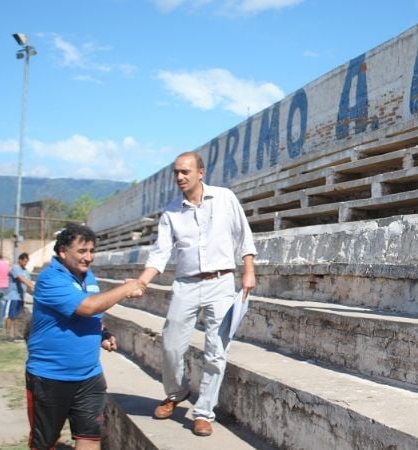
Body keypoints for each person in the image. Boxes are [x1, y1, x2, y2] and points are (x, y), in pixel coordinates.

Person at [136, 151, 257, 437]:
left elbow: (244, 235)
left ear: (200, 173)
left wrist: (248, 271)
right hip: (186, 284)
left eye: (185, 172)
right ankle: (176, 393)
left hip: (221, 282)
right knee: (170, 344)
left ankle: (204, 412)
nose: (179, 177)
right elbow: (160, 254)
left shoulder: (225, 198)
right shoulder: (171, 212)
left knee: (217, 351)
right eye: (176, 172)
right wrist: (142, 282)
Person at [25, 223, 146, 450]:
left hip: (89, 375)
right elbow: (87, 307)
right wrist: (128, 288)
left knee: (89, 437)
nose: (88, 257)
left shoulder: (88, 277)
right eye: (82, 251)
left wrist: (103, 333)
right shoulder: (50, 279)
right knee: (44, 443)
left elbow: (93, 315)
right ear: (62, 251)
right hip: (50, 376)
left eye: (92, 251)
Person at [6, 253, 34, 341]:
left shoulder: (25, 270)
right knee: (11, 316)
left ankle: (16, 333)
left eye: (27, 262)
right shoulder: (15, 268)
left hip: (21, 296)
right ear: (20, 260)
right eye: (25, 261)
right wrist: (32, 287)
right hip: (13, 295)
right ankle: (9, 334)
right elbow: (22, 279)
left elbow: (29, 281)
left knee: (18, 316)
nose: (26, 263)